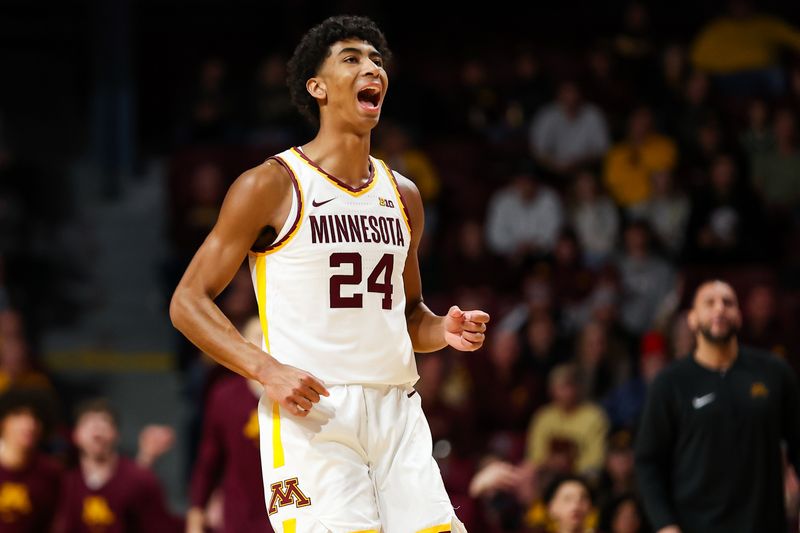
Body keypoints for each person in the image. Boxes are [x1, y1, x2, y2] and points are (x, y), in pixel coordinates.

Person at [169, 15, 490, 533]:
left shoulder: (403, 193)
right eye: (353, 59)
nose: (373, 69)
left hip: (396, 406)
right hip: (314, 409)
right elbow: (187, 302)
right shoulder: (271, 185)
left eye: (378, 61)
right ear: (316, 87)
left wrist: (443, 330)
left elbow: (409, 317)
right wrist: (266, 370)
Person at [635, 280, 800, 533]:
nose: (719, 309)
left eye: (728, 302)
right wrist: (665, 525)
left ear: (739, 316)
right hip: (695, 526)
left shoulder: (774, 372)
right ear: (692, 319)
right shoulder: (670, 382)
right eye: (709, 303)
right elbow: (648, 462)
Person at [187, 317, 273, 533]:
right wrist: (196, 513)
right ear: (243, 343)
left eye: (269, 337)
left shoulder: (298, 394)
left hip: (289, 510)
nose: (264, 343)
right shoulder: (224, 396)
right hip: (239, 513)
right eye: (258, 336)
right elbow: (209, 458)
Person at [53, 399, 182, 533]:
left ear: (117, 434)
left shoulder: (140, 479)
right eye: (89, 423)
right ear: (76, 435)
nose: (97, 429)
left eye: (104, 423)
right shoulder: (65, 483)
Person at [0, 388, 61, 533]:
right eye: (19, 415)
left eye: (36, 417)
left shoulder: (52, 473)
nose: (29, 424)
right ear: (3, 421)